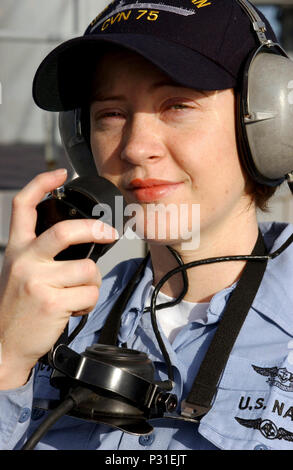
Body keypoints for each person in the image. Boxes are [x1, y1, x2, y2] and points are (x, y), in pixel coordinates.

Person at [0, 0, 293, 451]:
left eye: (177, 105)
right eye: (111, 114)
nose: (136, 148)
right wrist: (7, 360)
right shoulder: (41, 321)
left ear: (266, 124)